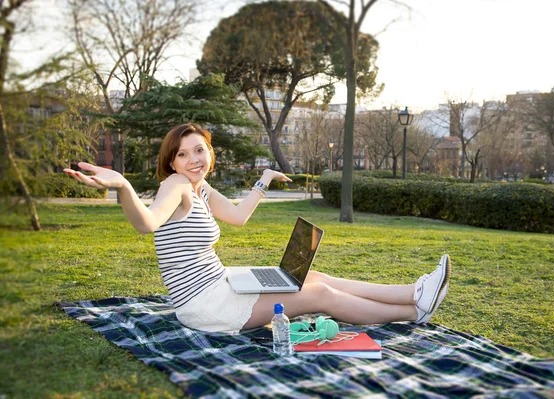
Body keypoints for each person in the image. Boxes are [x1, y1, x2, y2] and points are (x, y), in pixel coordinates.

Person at [64, 123, 451, 333]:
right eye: (183, 154)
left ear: (209, 152)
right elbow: (146, 224)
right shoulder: (176, 185)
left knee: (311, 275)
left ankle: (413, 293)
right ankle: (413, 312)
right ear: (172, 161)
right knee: (321, 295)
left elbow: (238, 217)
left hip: (223, 283)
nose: (194, 159)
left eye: (200, 149)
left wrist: (263, 179)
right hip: (206, 305)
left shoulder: (201, 187)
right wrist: (124, 186)